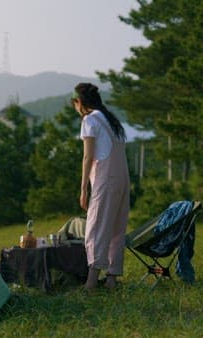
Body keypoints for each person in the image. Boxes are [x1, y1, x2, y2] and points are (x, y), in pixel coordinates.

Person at [71, 83, 130, 290]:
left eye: (75, 104)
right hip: (123, 178)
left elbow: (87, 157)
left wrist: (83, 189)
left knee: (96, 227)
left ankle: (91, 282)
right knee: (116, 228)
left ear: (80, 102)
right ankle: (112, 279)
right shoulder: (111, 120)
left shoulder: (89, 120)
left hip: (106, 178)